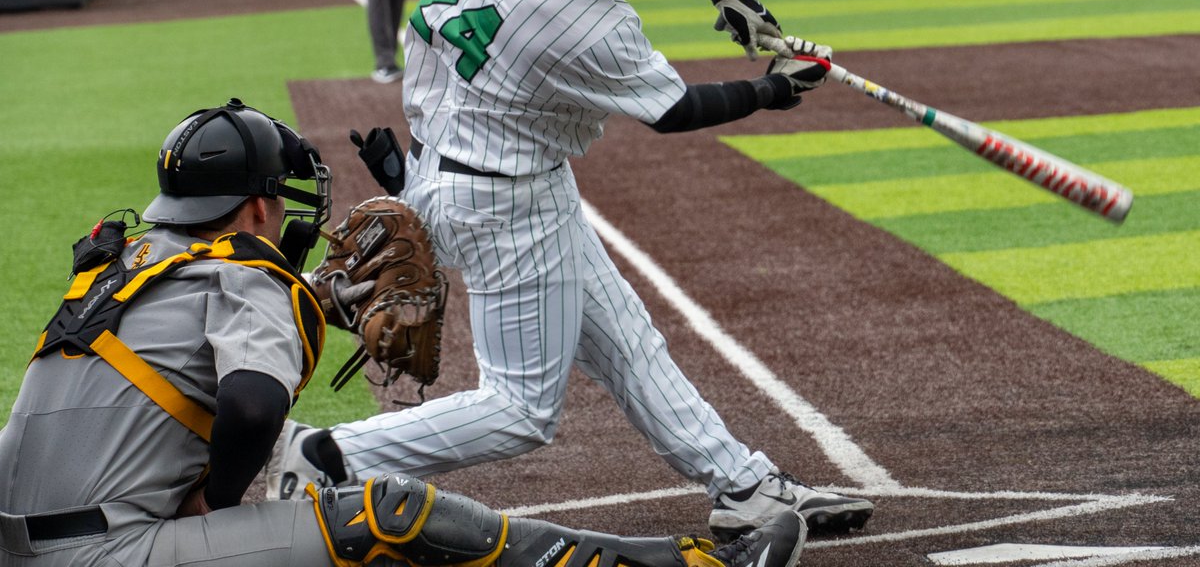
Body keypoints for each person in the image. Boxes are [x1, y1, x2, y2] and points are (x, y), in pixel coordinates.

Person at [267, 0, 875, 540]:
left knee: (628, 342)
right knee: (521, 408)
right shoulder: (582, 24)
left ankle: (743, 488)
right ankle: (332, 453)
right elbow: (675, 110)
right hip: (503, 204)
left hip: (459, 161)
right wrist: (774, 89)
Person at [0, 98, 808, 567]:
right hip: (105, 556)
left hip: (19, 540)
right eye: (278, 201)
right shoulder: (250, 273)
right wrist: (210, 498)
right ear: (253, 209)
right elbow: (248, 404)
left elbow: (176, 357)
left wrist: (320, 300)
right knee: (383, 512)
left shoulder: (119, 260)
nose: (284, 216)